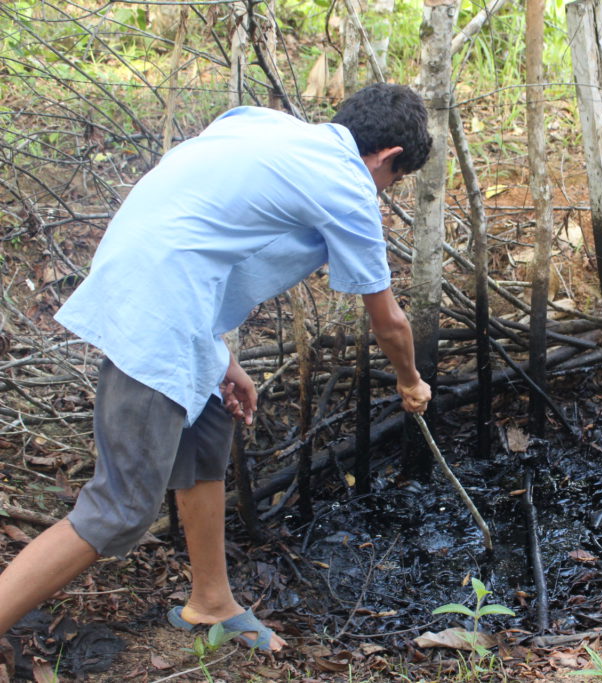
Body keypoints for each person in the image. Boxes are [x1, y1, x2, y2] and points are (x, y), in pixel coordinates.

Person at [0, 83, 433, 652]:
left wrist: (218, 355)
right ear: (388, 158)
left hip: (164, 287)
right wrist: (410, 380)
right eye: (393, 182)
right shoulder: (349, 184)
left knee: (207, 426)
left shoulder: (265, 123)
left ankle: (210, 601)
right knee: (121, 509)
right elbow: (391, 323)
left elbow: (202, 223)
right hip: (158, 310)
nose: (384, 192)